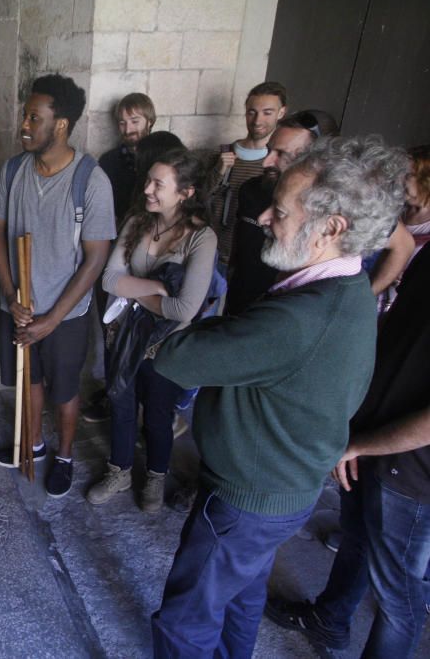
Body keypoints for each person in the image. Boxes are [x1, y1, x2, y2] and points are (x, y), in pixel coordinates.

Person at [148, 135, 408, 657]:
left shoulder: (298, 319)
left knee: (185, 617)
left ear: (330, 229)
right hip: (283, 489)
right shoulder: (347, 285)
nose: (264, 217)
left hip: (247, 498)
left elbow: (176, 356)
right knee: (242, 599)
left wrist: (185, 323)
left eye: (281, 211)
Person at [264, 242, 430, 657]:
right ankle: (330, 620)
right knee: (357, 539)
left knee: (397, 598)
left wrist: (361, 444)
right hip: (372, 440)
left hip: (410, 471)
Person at [0, 73, 115, 498]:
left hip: (67, 314)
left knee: (65, 390)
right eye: (25, 116)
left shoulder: (90, 180)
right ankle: (34, 445)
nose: (24, 124)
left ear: (60, 124)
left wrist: (52, 319)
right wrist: (10, 295)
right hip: (19, 305)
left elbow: (95, 258)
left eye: (34, 117)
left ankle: (64, 456)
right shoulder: (14, 169)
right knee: (30, 380)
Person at [86, 150, 217, 512]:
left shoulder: (201, 239)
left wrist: (138, 289)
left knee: (159, 415)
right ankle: (120, 471)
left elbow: (184, 309)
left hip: (166, 346)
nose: (147, 189)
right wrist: (157, 288)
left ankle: (156, 476)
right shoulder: (137, 222)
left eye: (158, 184)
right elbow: (110, 278)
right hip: (124, 336)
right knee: (121, 403)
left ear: (185, 192)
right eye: (148, 181)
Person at [226, 111, 320, 315]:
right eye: (269, 151)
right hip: (237, 303)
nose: (266, 162)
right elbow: (240, 242)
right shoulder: (250, 189)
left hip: (278, 312)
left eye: (281, 154)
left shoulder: (320, 205)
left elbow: (402, 245)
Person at [208, 81, 287, 265]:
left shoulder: (279, 164)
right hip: (213, 252)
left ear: (281, 112)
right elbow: (200, 199)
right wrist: (217, 172)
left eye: (267, 113)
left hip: (253, 256)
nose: (258, 120)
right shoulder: (221, 154)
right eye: (252, 112)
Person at [100, 93, 157, 225]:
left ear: (150, 121)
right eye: (122, 123)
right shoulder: (108, 161)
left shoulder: (164, 157)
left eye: (135, 121)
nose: (127, 129)